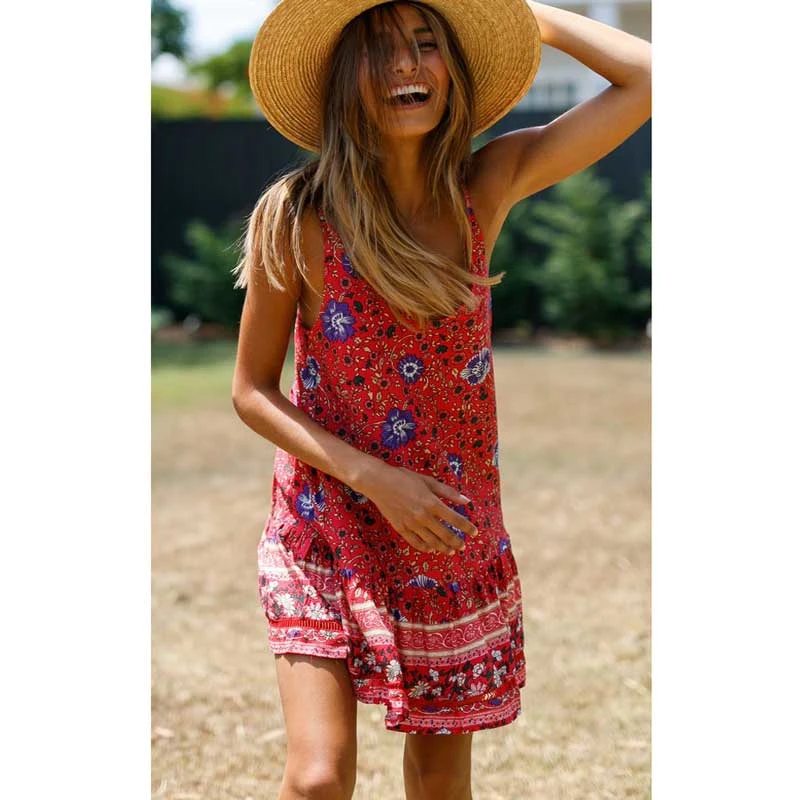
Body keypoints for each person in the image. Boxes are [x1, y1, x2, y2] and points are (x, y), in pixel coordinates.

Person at [232, 1, 650, 797]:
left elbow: (650, 78)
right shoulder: (300, 215)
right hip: (327, 521)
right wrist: (373, 479)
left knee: (438, 784)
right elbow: (250, 391)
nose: (406, 66)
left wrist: (526, 16)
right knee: (318, 778)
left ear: (452, 71)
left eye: (426, 45)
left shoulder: (486, 186)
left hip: (445, 531)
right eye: (380, 50)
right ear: (342, 79)